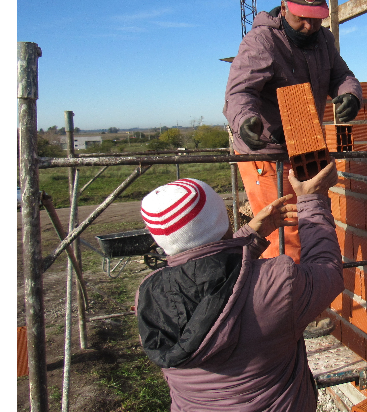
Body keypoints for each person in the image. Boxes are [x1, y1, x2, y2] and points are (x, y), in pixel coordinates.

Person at [135, 161, 342, 411]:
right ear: (222, 220)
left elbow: (210, 285)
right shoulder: (277, 284)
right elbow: (327, 272)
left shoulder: (148, 297)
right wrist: (312, 199)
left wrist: (248, 239)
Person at [223, 0, 362, 265]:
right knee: (283, 231)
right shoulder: (262, 40)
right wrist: (246, 121)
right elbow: (240, 91)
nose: (310, 26)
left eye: (317, 18)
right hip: (267, 149)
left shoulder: (323, 39)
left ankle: (308, 290)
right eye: (303, 18)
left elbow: (342, 76)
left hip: (304, 135)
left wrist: (350, 95)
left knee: (314, 217)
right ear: (285, 9)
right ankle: (283, 298)